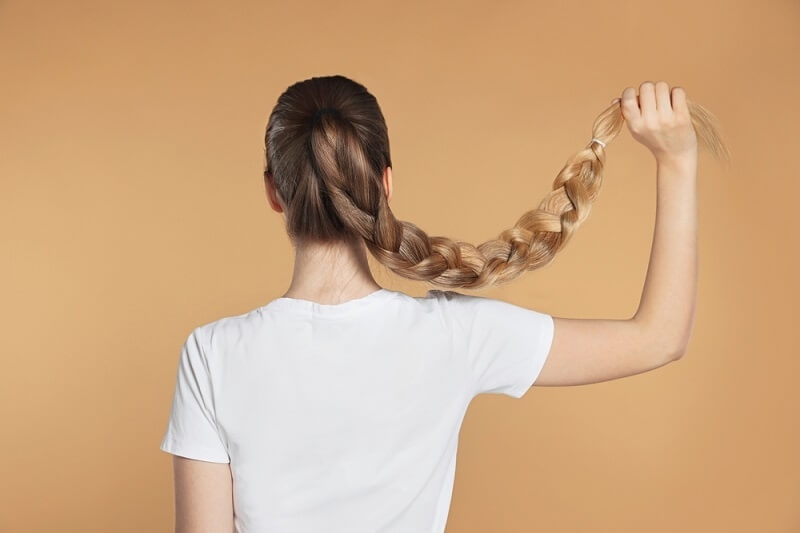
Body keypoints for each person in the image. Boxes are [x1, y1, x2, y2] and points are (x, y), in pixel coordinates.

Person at [159, 75, 725, 532]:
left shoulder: (210, 355)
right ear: (384, 184)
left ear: (274, 193)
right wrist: (677, 163)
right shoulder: (455, 335)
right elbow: (659, 338)